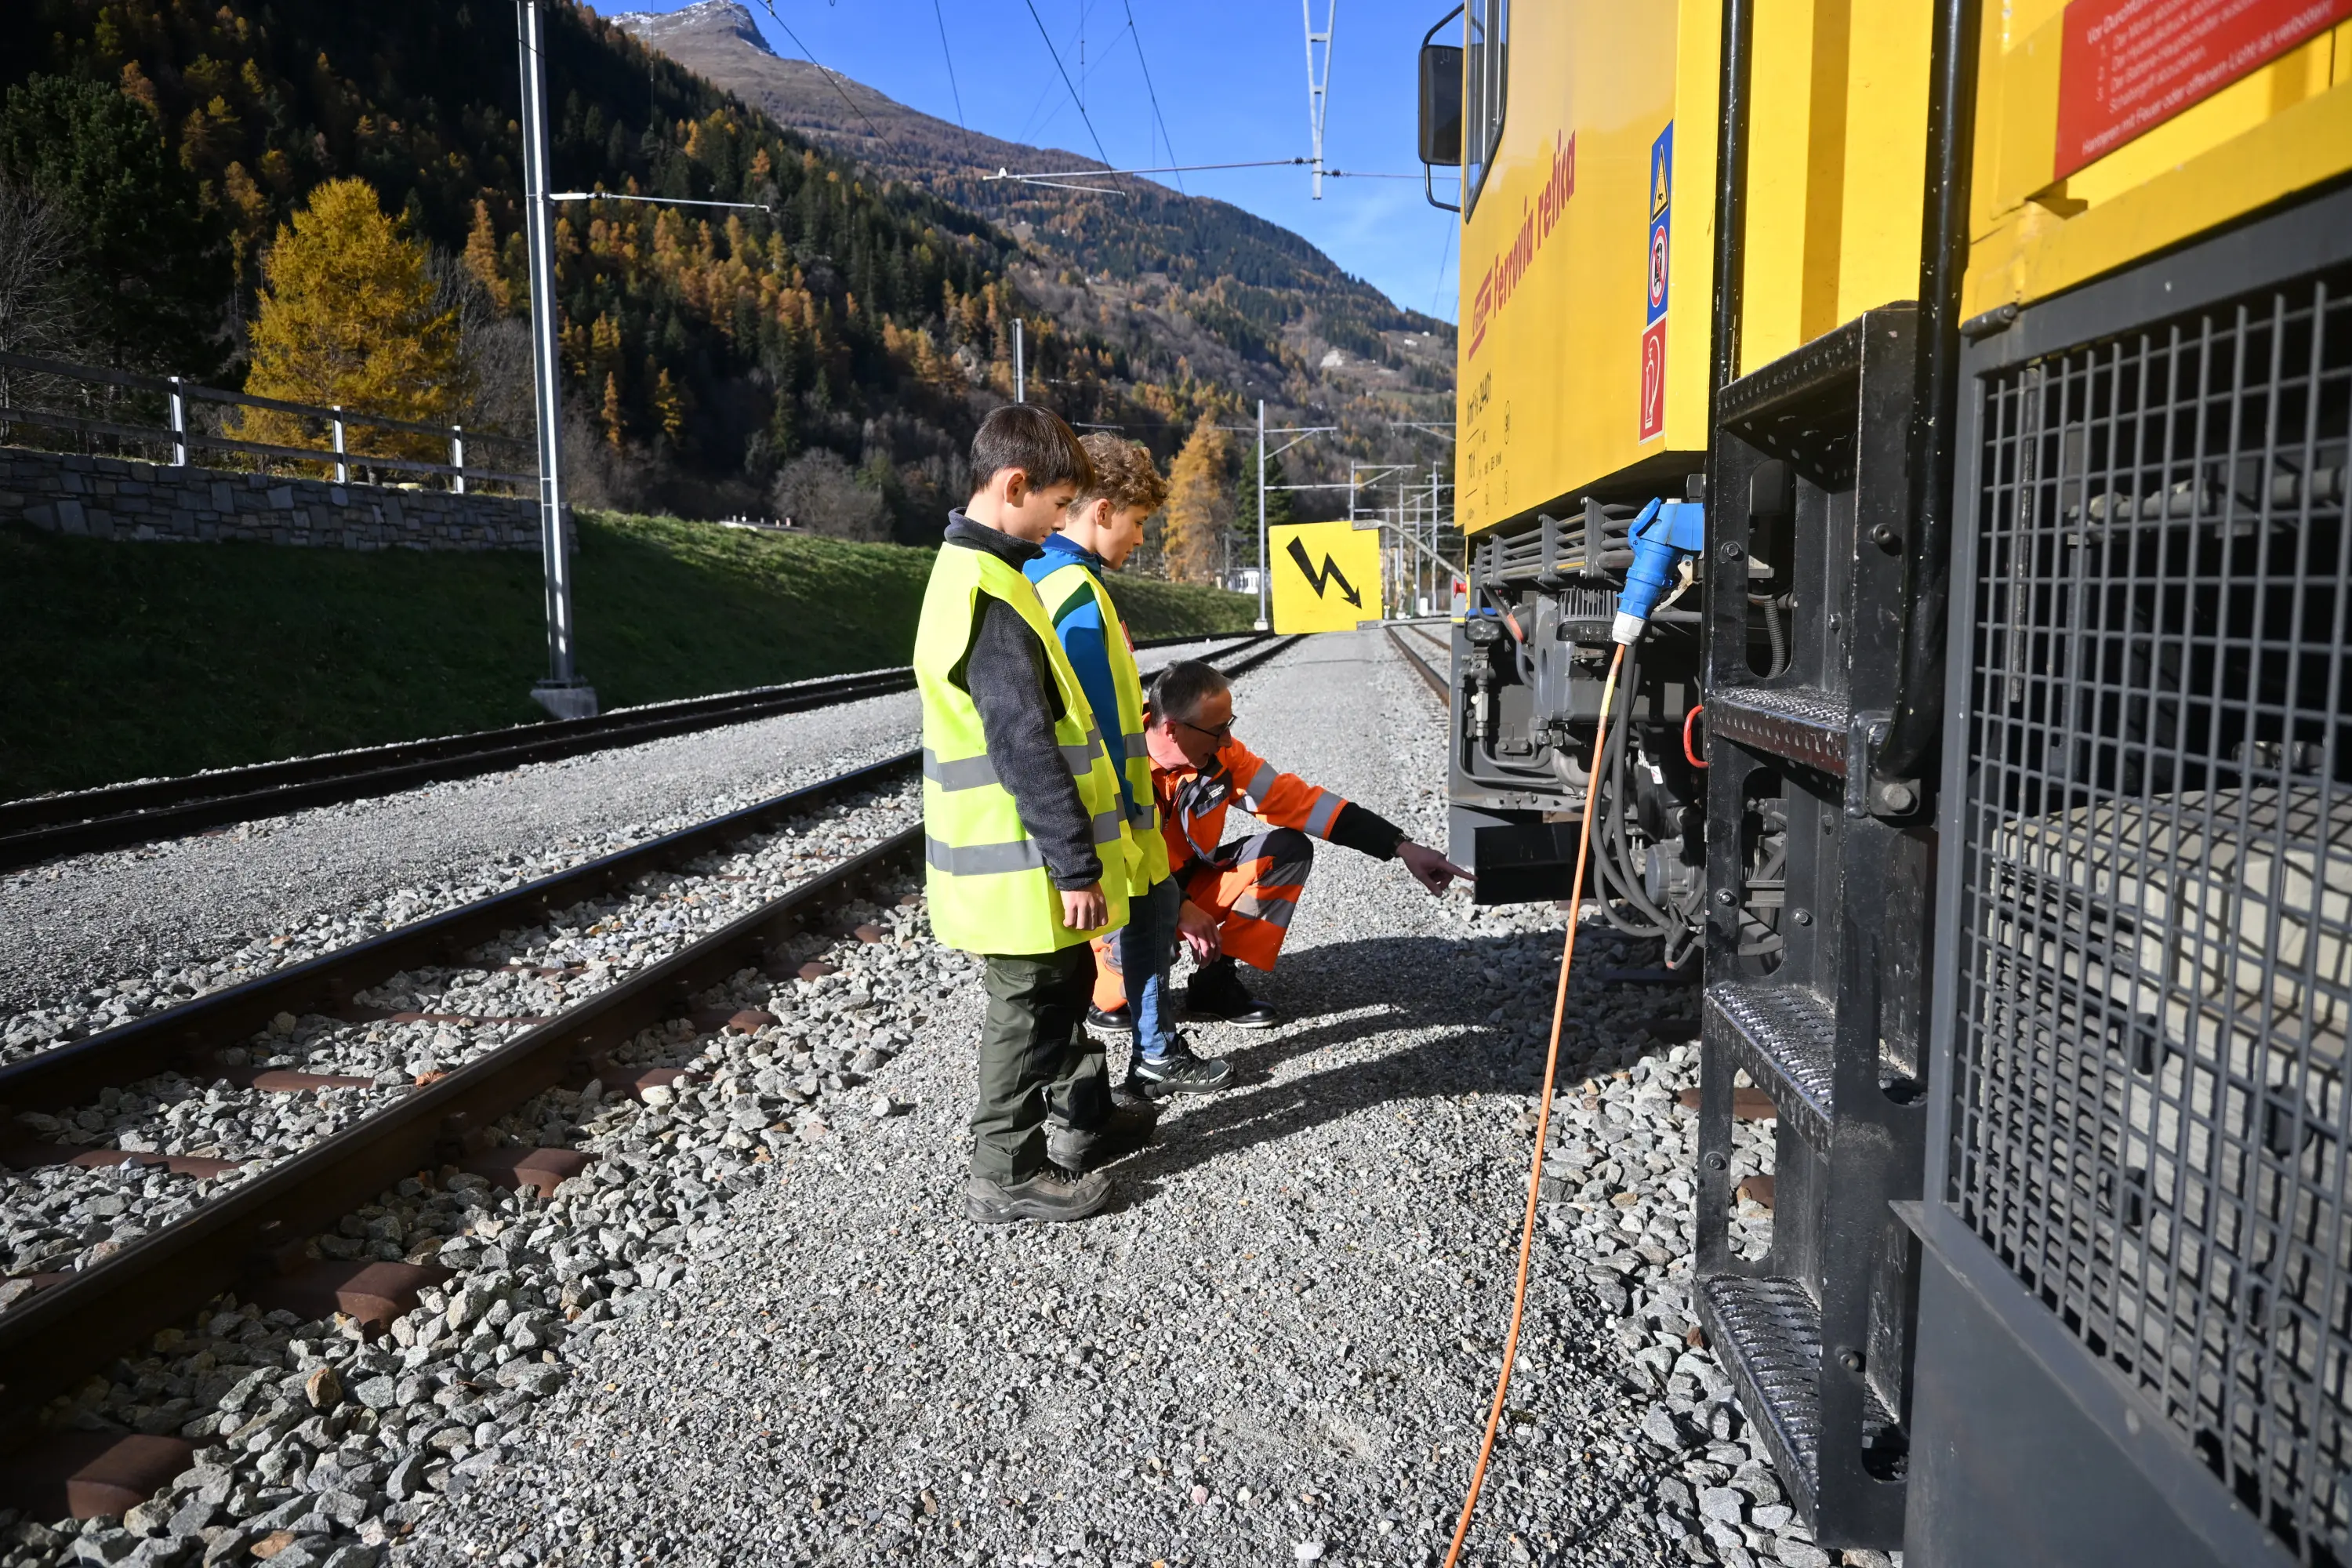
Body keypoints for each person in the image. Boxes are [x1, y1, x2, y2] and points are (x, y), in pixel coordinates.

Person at [913, 405, 1156, 1225]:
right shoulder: (987, 593)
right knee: (1026, 1009)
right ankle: (1006, 1170)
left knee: (1063, 986)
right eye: (1056, 505)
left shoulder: (985, 572)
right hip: (1017, 860)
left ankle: (1082, 1117)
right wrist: (1077, 866)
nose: (1060, 522)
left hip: (1021, 855)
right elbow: (1024, 744)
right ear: (1014, 486)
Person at [1115, 658, 1472, 1083]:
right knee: (1124, 978)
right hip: (1127, 905)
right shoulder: (1118, 763)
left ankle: (1214, 984)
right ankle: (1116, 1002)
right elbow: (1113, 862)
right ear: (1172, 729)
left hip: (1186, 884)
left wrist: (1400, 845)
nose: (1227, 739)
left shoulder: (1221, 757)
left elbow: (1299, 802)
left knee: (1286, 850)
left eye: (1229, 725)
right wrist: (1178, 907)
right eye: (1218, 729)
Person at [1022, 435, 1232, 1098]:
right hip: (1100, 808)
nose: (1141, 538)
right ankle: (1136, 1065)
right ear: (1102, 510)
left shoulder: (1049, 578)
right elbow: (1088, 722)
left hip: (1096, 806)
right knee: (1133, 922)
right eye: (1138, 522)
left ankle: (1155, 1051)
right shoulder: (1076, 593)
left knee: (1156, 905)